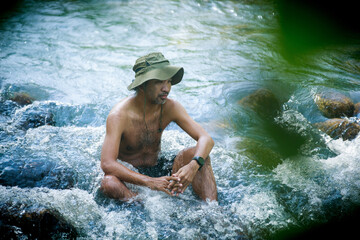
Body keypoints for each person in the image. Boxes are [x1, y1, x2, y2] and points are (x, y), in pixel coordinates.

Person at [100, 52, 217, 202]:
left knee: (198, 155)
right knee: (109, 183)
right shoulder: (119, 116)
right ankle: (142, 205)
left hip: (158, 169)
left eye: (168, 82)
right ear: (142, 84)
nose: (166, 88)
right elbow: (107, 163)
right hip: (131, 176)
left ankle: (214, 212)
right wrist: (150, 182)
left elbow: (206, 138)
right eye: (159, 82)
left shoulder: (170, 107)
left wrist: (193, 166)